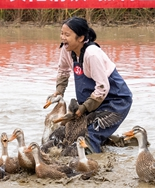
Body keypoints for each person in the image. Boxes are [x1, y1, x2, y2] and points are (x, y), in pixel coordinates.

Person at [53, 17, 133, 152]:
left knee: (90, 136)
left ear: (80, 38)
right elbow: (63, 70)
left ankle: (93, 163)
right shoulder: (66, 50)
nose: (63, 38)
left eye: (67, 35)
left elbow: (102, 87)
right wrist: (59, 91)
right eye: (62, 33)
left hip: (115, 99)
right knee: (68, 132)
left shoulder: (92, 54)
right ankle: (114, 142)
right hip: (94, 99)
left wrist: (83, 108)